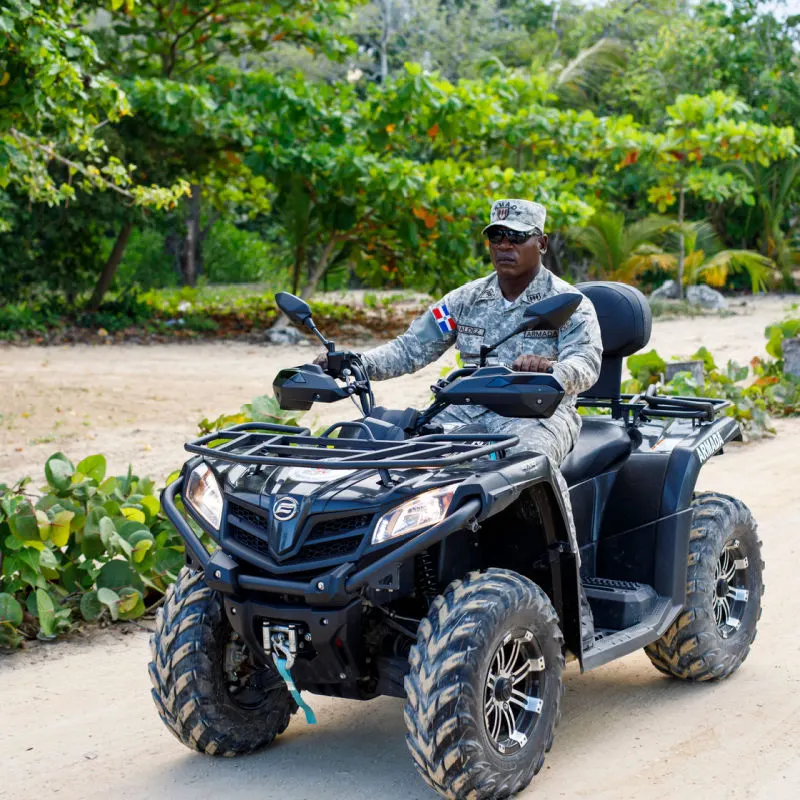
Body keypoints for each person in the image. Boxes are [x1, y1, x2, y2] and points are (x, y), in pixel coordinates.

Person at [318, 199, 603, 647]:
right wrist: (353, 365)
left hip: (540, 413)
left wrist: (550, 369)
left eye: (516, 237)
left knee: (533, 465)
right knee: (401, 463)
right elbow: (410, 349)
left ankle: (574, 595)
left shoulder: (569, 303)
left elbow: (587, 364)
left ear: (541, 243)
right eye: (496, 236)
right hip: (464, 412)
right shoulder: (467, 299)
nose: (504, 245)